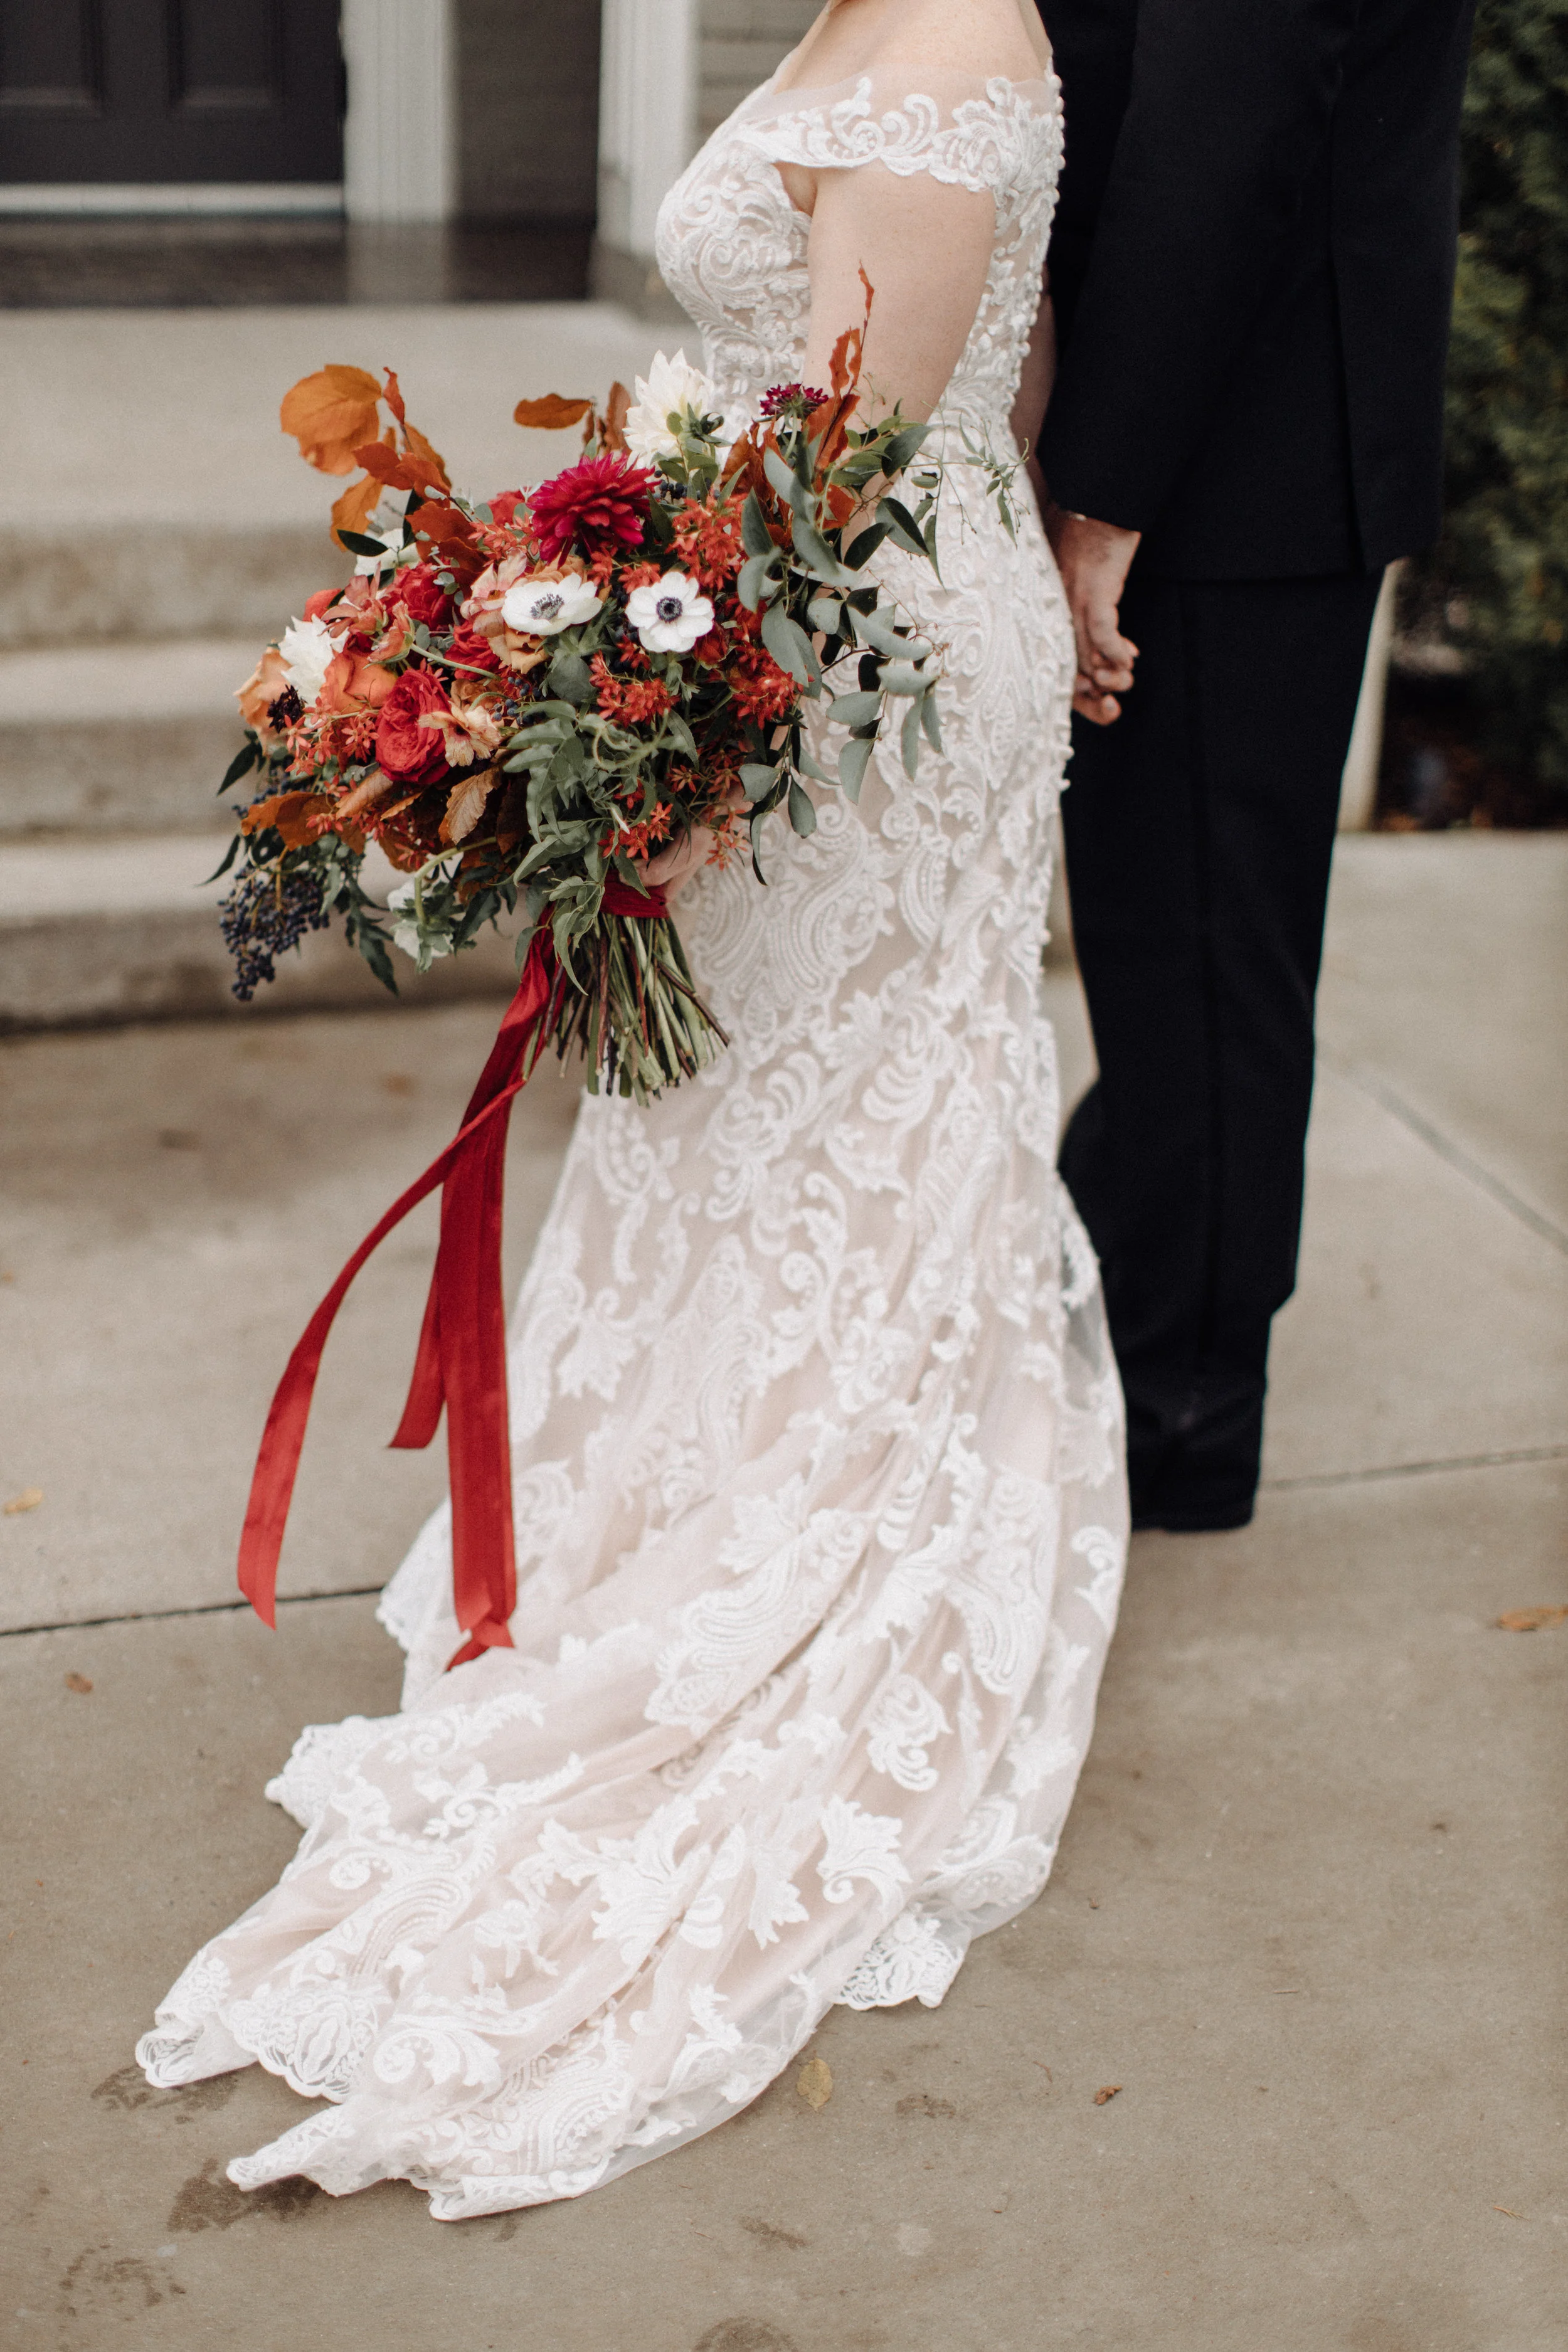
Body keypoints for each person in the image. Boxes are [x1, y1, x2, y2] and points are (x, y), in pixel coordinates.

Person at [135, 0, 1129, 2220]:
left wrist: (679, 732)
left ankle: (823, 1522)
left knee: (835, 1115)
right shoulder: (854, 17)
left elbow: (863, 451)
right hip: (794, 631)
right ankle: (671, 1502)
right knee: (729, 1116)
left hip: (853, 666)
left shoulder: (963, 21)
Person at [1030, 0, 1476, 1531]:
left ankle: (1178, 1422)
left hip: (1227, 469)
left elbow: (1222, 131)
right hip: (1225, 455)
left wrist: (1102, 491)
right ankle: (1130, 1310)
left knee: (1200, 970)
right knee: (1173, 964)